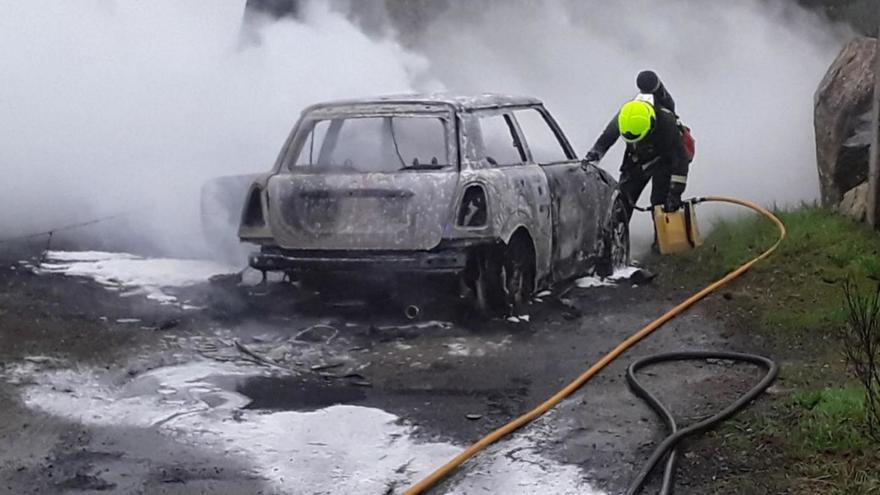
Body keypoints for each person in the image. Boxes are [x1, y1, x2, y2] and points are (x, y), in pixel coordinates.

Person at [583, 94, 688, 220]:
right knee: (621, 202)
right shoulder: (625, 116)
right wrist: (594, 155)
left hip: (664, 160)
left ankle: (666, 229)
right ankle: (617, 228)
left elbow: (680, 160)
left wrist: (675, 193)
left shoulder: (667, 123)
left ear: (651, 124)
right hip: (637, 160)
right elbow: (608, 136)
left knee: (661, 205)